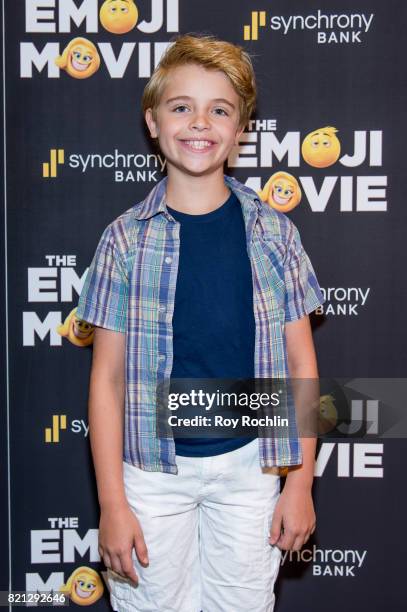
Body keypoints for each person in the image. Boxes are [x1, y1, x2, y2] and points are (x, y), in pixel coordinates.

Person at [76, 33, 325, 612]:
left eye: (220, 110)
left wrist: (301, 482)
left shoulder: (274, 232)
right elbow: (108, 381)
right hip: (150, 474)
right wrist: (112, 503)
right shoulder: (124, 240)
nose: (200, 123)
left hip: (251, 469)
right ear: (153, 121)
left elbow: (300, 365)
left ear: (241, 131)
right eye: (181, 106)